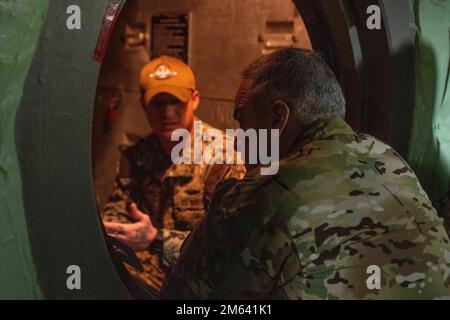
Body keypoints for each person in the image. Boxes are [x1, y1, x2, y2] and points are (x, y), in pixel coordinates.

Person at [161, 48, 450, 299]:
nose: (238, 139)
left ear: (277, 118)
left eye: (242, 119)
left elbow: (186, 299)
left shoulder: (268, 190)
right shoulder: (387, 158)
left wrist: (220, 209)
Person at [101, 55, 245, 295]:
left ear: (194, 100)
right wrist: (114, 229)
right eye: (158, 103)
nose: (167, 112)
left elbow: (231, 246)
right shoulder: (136, 156)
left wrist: (157, 239)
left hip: (206, 281)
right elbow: (120, 208)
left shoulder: (225, 158)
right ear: (143, 105)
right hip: (149, 276)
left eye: (176, 102)